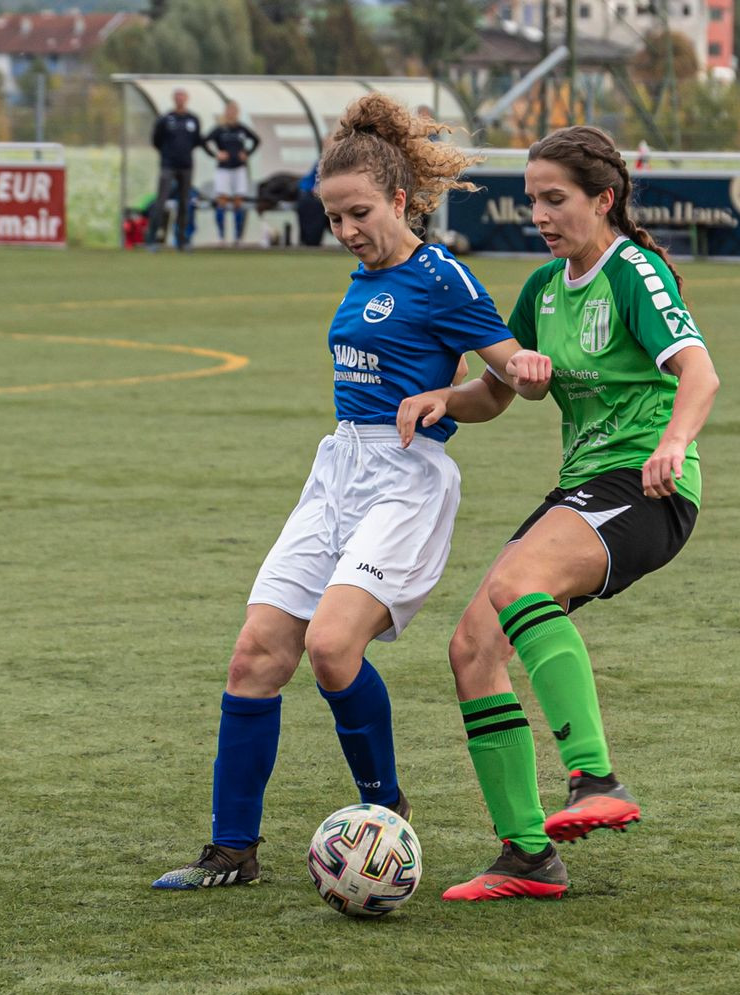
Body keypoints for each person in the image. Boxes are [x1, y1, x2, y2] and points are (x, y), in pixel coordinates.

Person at [152, 94, 529, 891]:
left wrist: (459, 393)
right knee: (255, 653)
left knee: (330, 647)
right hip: (336, 472)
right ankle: (231, 851)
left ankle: (385, 809)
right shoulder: (364, 276)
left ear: (400, 199)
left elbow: (505, 385)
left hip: (405, 478)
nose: (348, 230)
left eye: (360, 213)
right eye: (334, 218)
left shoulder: (443, 276)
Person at [396, 124, 719, 900]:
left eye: (554, 199)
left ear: (603, 200)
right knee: (472, 649)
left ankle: (596, 778)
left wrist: (673, 443)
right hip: (584, 489)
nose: (539, 215)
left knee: (517, 587)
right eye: (531, 201)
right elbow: (498, 392)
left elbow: (700, 373)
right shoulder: (545, 287)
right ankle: (528, 856)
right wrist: (445, 398)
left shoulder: (633, 271)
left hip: (646, 487)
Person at [147, 88, 204, 251]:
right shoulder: (165, 119)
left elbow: (197, 141)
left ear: (187, 99)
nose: (180, 100)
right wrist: (168, 153)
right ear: (174, 99)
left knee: (185, 203)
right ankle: (152, 239)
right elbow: (156, 140)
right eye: (177, 97)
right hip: (168, 165)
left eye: (182, 97)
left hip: (186, 166)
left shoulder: (193, 119)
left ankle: (182, 241)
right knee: (161, 202)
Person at [204, 101, 261, 246]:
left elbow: (256, 140)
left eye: (234, 110)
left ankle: (238, 238)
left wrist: (247, 153)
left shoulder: (241, 129)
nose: (231, 113)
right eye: (229, 110)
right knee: (221, 201)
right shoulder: (220, 129)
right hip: (223, 169)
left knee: (238, 201)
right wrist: (216, 154)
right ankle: (221, 237)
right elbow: (205, 141)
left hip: (239, 168)